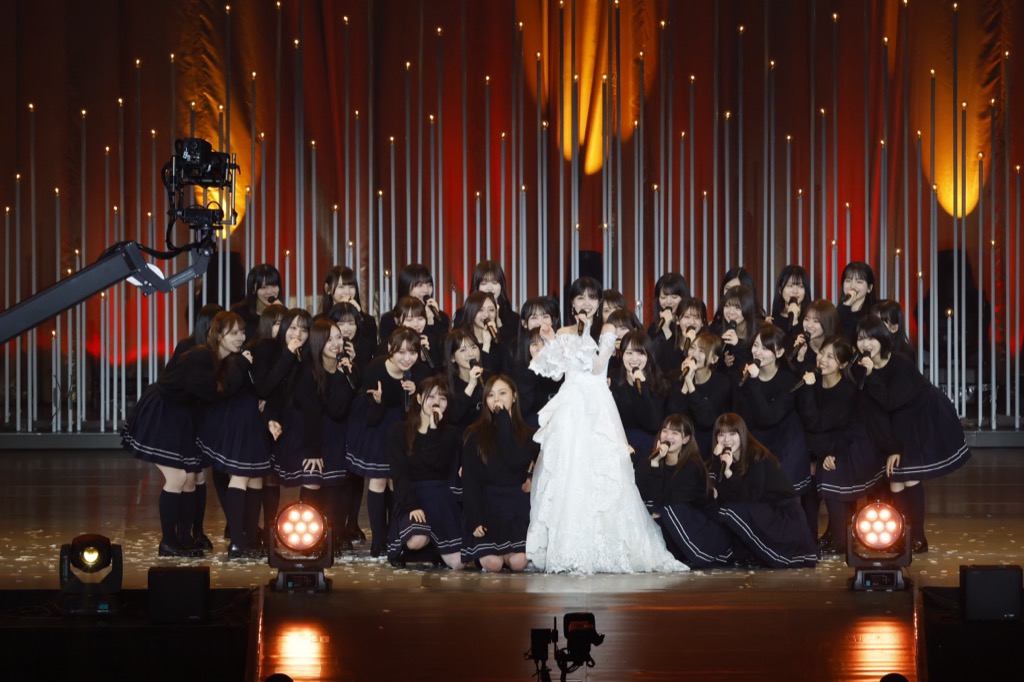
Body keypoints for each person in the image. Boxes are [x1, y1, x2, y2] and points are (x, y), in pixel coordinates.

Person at [525, 276, 686, 573]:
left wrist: (586, 331)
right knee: (568, 471)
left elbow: (598, 365)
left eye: (591, 297)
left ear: (599, 302)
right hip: (570, 406)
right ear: (572, 302)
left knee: (604, 473)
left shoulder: (607, 329)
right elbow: (557, 373)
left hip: (597, 406)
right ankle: (567, 546)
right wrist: (549, 341)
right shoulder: (563, 331)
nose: (586, 302)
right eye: (580, 297)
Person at [856, 314, 972, 553]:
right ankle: (902, 537)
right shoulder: (864, 369)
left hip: (920, 416)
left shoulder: (900, 363)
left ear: (883, 339)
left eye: (871, 338)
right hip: (896, 422)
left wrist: (896, 448)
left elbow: (891, 402)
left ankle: (918, 537)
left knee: (908, 476)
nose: (865, 344)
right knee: (895, 479)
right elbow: (876, 412)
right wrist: (891, 447)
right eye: (860, 338)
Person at [195, 311, 276, 558]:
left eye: (241, 332)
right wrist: (242, 364)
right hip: (234, 423)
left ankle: (249, 539)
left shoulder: (243, 355)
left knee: (255, 479)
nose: (240, 337)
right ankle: (238, 542)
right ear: (218, 335)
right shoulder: (212, 357)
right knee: (240, 477)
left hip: (251, 421)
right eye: (233, 333)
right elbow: (222, 389)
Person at [346, 327, 433, 557]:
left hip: (406, 429)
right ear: (389, 349)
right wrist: (378, 401)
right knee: (378, 481)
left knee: (398, 481)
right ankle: (378, 540)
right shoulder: (375, 368)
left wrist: (415, 396)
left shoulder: (421, 373)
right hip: (378, 427)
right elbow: (371, 417)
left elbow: (420, 414)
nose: (407, 358)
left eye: (412, 352)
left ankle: (396, 535)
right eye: (401, 352)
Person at [794, 335, 886, 553]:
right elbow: (808, 425)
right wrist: (822, 452)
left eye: (831, 357)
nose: (822, 360)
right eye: (822, 353)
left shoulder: (846, 391)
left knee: (830, 474)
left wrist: (829, 453)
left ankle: (842, 540)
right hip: (823, 445)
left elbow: (818, 423)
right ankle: (815, 537)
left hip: (852, 446)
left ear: (843, 364)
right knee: (811, 472)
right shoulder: (813, 382)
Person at [711, 413, 818, 568]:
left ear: (742, 434)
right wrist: (718, 463)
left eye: (732, 434)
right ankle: (742, 553)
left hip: (781, 514)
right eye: (721, 435)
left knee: (732, 509)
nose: (726, 440)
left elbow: (751, 494)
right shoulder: (726, 459)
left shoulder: (757, 455)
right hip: (761, 509)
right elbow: (724, 494)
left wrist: (728, 473)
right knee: (725, 509)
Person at [461, 375, 538, 572]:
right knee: (493, 564)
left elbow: (514, 460)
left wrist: (504, 419)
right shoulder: (475, 435)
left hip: (516, 507)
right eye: (491, 395)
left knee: (518, 563)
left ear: (514, 397)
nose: (497, 400)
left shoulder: (529, 435)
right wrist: (475, 518)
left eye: (502, 393)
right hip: (488, 507)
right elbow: (470, 481)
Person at [386, 376, 464, 569]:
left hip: (440, 498)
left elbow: (439, 465)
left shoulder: (451, 433)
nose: (437, 402)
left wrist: (434, 428)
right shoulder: (399, 431)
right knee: (417, 539)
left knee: (457, 564)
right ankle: (411, 549)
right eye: (431, 397)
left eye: (442, 398)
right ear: (419, 398)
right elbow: (399, 474)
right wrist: (412, 505)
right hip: (412, 495)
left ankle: (435, 550)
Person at [635, 414, 732, 568]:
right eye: (665, 431)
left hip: (701, 527)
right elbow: (646, 493)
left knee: (670, 509)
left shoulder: (692, 466)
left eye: (675, 433)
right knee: (645, 506)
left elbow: (667, 500)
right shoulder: (655, 458)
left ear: (685, 439)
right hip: (675, 527)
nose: (668, 436)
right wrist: (654, 463)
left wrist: (657, 509)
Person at [231, 264, 283, 339]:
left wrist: (282, 314)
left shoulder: (282, 314)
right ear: (253, 289)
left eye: (274, 286)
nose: (270, 292)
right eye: (264, 287)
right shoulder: (238, 314)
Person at [838, 261, 876, 343]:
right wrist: (846, 306)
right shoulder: (837, 311)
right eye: (848, 280)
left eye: (859, 282)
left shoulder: (875, 313)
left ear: (869, 288)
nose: (852, 286)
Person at [768, 265, 812, 338]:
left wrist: (795, 320)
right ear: (780, 290)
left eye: (800, 286)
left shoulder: (811, 322)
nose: (795, 291)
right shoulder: (772, 322)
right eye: (790, 286)